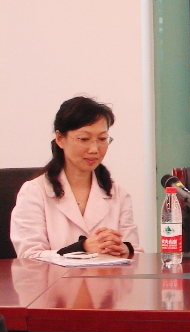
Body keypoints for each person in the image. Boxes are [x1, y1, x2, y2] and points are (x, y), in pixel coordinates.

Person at [11, 96, 142, 259]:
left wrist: (123, 249)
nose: (94, 149)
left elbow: (137, 254)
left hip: (107, 276)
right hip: (54, 277)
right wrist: (82, 248)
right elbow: (29, 257)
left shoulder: (118, 194)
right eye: (84, 139)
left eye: (102, 139)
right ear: (60, 139)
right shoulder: (35, 192)